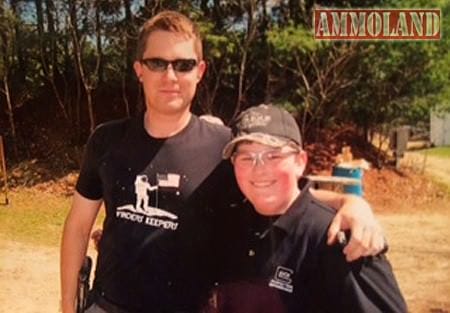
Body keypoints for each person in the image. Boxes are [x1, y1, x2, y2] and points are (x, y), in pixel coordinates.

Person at [60, 10, 385, 313]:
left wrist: (350, 201)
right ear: (139, 69)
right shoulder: (106, 141)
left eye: (183, 64)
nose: (170, 75)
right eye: (157, 63)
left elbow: (281, 196)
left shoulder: (223, 147)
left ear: (200, 72)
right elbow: (77, 227)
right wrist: (67, 304)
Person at [212, 104, 407, 313]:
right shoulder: (229, 228)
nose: (259, 169)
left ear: (300, 161)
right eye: (246, 158)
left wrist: (353, 203)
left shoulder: (338, 237)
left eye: (273, 156)